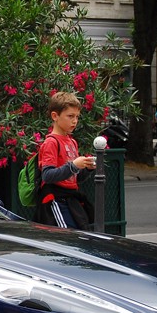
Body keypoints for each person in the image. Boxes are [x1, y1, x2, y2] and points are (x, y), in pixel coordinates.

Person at [33, 91, 95, 229]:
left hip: (70, 198)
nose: (75, 121)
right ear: (55, 116)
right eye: (70, 116)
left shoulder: (72, 142)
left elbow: (74, 178)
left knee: (81, 232)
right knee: (68, 234)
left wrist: (87, 168)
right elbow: (47, 175)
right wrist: (73, 165)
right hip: (56, 199)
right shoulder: (51, 142)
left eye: (77, 117)